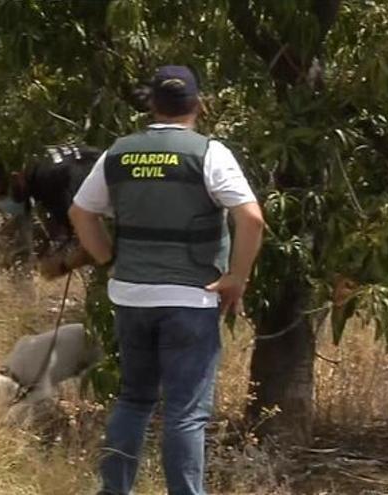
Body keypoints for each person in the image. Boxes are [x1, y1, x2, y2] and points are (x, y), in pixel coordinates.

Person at [69, 65, 264, 495]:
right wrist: (236, 277)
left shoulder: (119, 152)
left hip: (131, 296)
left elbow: (81, 212)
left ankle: (114, 489)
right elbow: (251, 218)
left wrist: (108, 261)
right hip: (190, 299)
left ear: (152, 104)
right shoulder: (208, 153)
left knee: (134, 399)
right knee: (185, 413)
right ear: (197, 104)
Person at [0, 144, 100, 279]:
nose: (2, 201)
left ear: (16, 177)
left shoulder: (50, 181)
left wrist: (62, 266)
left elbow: (92, 241)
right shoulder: (38, 160)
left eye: (2, 193)